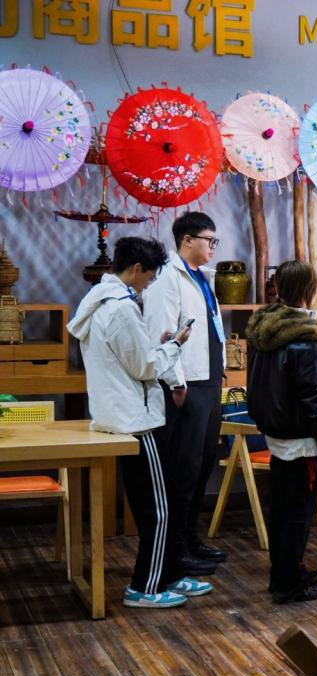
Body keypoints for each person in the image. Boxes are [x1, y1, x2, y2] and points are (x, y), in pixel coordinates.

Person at [68, 236, 212, 608]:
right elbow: (145, 366)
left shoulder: (101, 300)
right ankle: (145, 587)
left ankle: (169, 575)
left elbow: (134, 356)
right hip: (136, 419)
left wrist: (159, 346)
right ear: (135, 268)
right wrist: (175, 344)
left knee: (160, 502)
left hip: (122, 413)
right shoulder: (120, 308)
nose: (149, 284)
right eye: (148, 276)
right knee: (158, 510)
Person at [246, 261, 317, 604]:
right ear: (309, 290)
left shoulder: (264, 327)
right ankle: (288, 581)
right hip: (303, 440)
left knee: (281, 509)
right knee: (298, 514)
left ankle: (282, 574)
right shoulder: (307, 336)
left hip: (276, 435)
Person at [144, 211, 227, 576]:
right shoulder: (168, 278)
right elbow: (161, 335)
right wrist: (176, 382)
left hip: (209, 381)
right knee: (184, 469)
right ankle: (175, 548)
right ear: (187, 240)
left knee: (204, 464)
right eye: (210, 240)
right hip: (186, 385)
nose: (213, 246)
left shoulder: (201, 276)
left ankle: (191, 538)